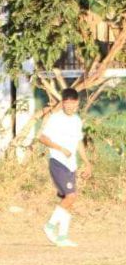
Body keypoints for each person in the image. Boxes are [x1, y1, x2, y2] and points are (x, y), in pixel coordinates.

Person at [38, 88, 91, 247]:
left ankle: (62, 237)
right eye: (66, 103)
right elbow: (42, 138)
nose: (69, 106)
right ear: (62, 103)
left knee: (67, 200)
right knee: (71, 196)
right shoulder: (55, 118)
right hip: (58, 162)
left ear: (77, 103)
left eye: (72, 103)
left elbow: (79, 143)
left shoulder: (76, 120)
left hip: (71, 165)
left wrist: (87, 163)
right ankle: (50, 226)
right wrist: (60, 148)